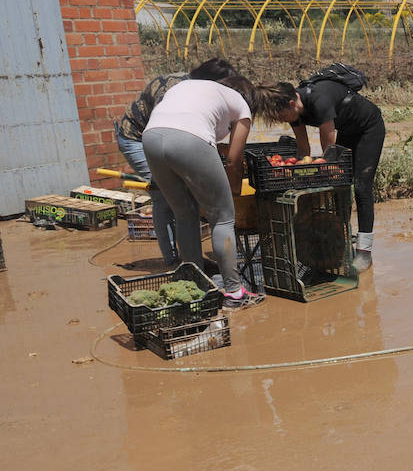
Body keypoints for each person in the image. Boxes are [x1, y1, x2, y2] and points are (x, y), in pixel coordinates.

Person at [141, 75, 264, 309]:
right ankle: (235, 293)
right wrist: (234, 191)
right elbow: (233, 160)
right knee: (223, 218)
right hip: (189, 139)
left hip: (151, 137)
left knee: (184, 214)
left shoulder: (191, 86)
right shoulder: (241, 104)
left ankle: (194, 289)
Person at [114, 58, 239, 265]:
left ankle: (191, 258)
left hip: (164, 138)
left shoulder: (201, 90)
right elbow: (170, 129)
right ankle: (173, 260)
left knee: (183, 199)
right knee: (164, 196)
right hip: (137, 137)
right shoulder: (177, 88)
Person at [261, 70, 386, 271]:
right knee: (339, 185)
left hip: (368, 128)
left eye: (283, 117)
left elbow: (329, 150)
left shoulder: (319, 100)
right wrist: (297, 171)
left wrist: (322, 170)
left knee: (362, 187)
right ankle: (342, 239)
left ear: (292, 104)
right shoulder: (295, 111)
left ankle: (364, 252)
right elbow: (303, 149)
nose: (283, 121)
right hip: (347, 130)